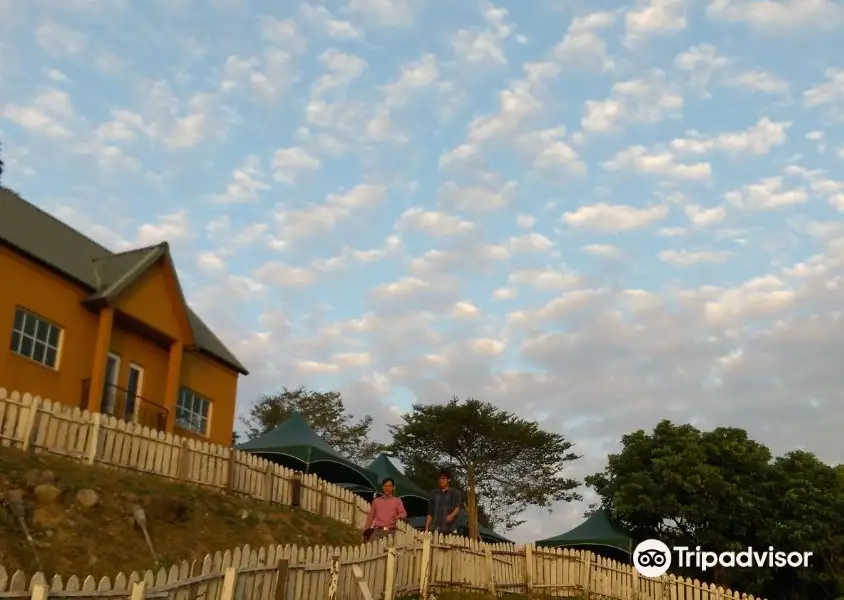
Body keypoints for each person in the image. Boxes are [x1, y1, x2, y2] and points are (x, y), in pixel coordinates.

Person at [363, 477, 407, 542]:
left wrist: (398, 517)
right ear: (382, 487)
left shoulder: (397, 501)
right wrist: (366, 530)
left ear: (393, 487)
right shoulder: (376, 501)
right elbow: (370, 516)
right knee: (374, 550)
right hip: (377, 532)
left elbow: (403, 513)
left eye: (389, 486)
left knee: (388, 552)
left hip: (390, 532)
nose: (387, 488)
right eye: (385, 486)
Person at [424, 469, 461, 535]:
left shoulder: (455, 493)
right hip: (434, 528)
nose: (441, 480)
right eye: (440, 478)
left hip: (449, 529)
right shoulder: (433, 493)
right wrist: (426, 527)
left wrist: (451, 516)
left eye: (444, 478)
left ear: (449, 480)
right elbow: (429, 512)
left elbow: (457, 507)